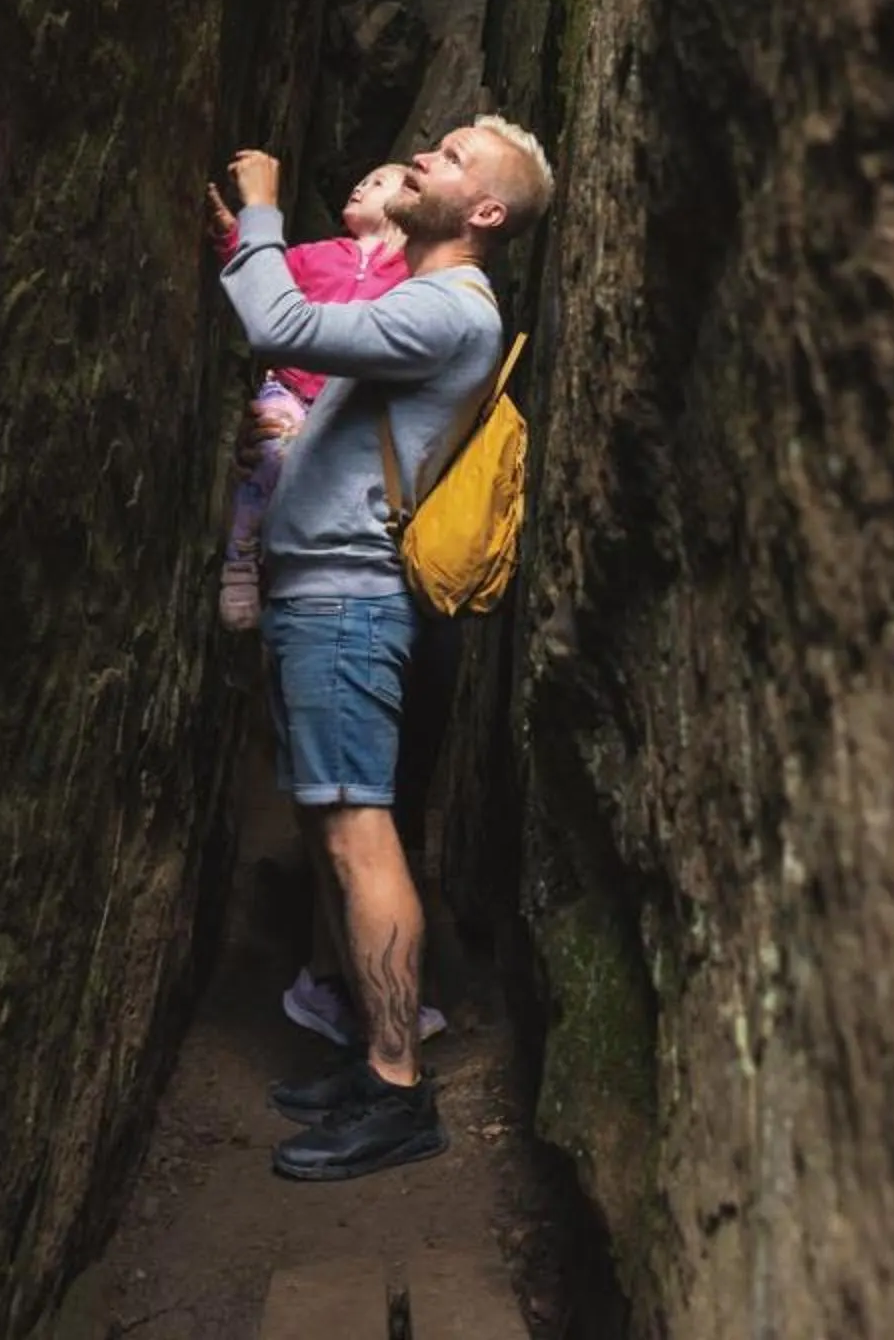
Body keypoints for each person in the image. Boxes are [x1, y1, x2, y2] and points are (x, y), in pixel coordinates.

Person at [212, 115, 555, 1182]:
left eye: (452, 160)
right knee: (336, 828)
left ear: (487, 213)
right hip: (328, 593)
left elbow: (276, 320)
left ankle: (400, 1092)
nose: (423, 160)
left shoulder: (446, 309)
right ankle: (372, 1060)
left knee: (362, 834)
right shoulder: (425, 299)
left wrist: (263, 201)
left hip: (350, 603)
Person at [207, 165, 411, 632]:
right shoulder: (322, 255)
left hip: (348, 406)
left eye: (378, 182)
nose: (359, 184)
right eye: (361, 178)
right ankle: (240, 560)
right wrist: (230, 234)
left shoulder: (414, 275)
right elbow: (265, 275)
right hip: (293, 389)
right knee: (270, 449)